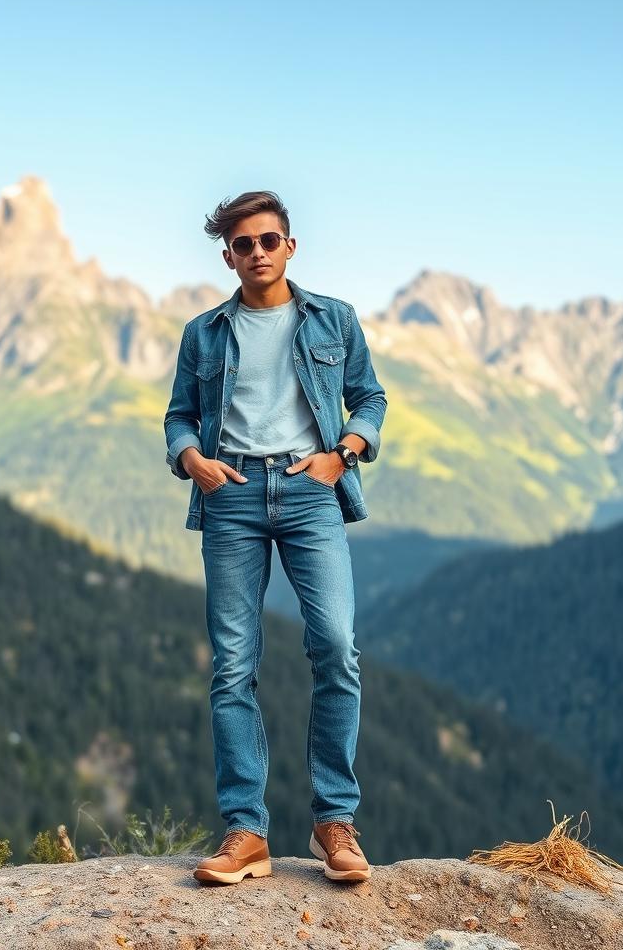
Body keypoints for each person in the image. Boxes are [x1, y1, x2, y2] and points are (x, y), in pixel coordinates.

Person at [163, 191, 387, 885]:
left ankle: (334, 824)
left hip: (308, 489)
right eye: (242, 245)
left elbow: (370, 398)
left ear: (290, 246)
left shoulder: (333, 320)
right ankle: (245, 834)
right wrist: (190, 458)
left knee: (336, 649)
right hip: (230, 496)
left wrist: (342, 452)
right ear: (226, 256)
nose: (256, 253)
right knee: (233, 665)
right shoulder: (204, 333)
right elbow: (178, 416)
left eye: (268, 240)